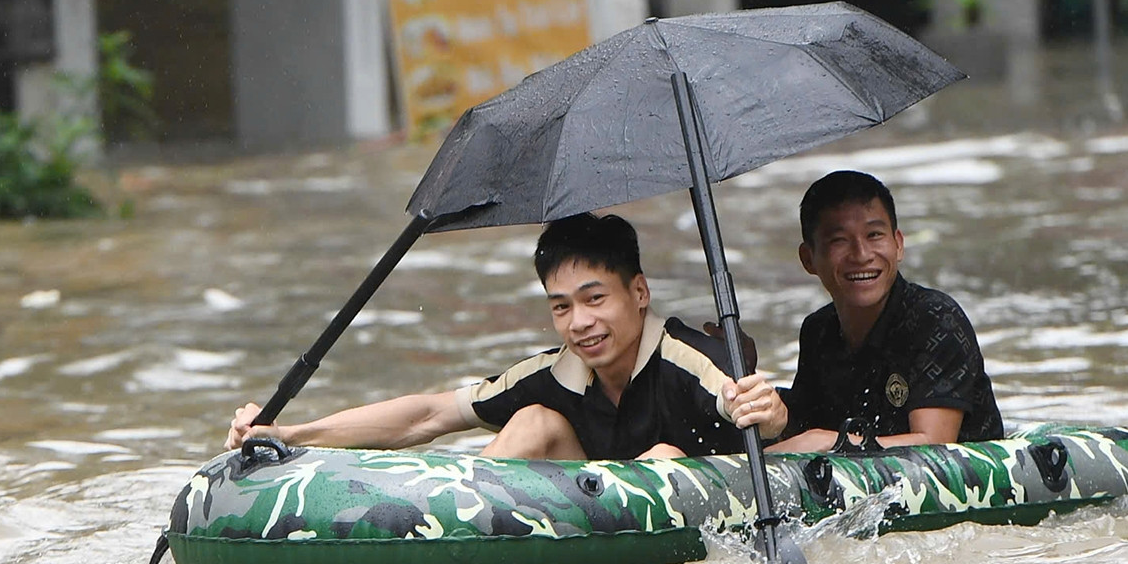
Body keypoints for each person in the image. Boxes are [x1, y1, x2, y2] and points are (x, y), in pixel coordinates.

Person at [225, 212, 789, 459]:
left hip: (700, 494)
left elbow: (767, 413)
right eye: (562, 306)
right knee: (533, 422)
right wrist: (290, 433)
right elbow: (430, 415)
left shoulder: (693, 358)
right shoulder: (553, 374)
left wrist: (767, 410)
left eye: (596, 299)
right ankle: (456, 538)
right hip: (594, 508)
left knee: (664, 453)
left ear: (639, 292)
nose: (580, 323)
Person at [766, 170, 1003, 453]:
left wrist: (831, 441)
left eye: (874, 235)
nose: (861, 254)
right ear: (809, 259)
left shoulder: (937, 319)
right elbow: (800, 430)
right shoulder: (818, 330)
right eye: (839, 240)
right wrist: (740, 372)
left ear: (898, 244)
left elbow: (935, 444)